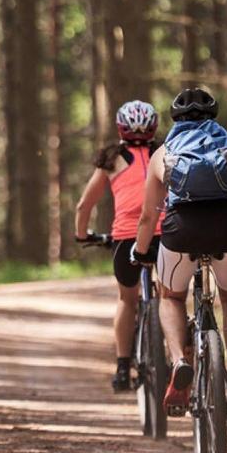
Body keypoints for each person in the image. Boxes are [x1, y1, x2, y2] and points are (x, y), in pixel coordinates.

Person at [131, 88, 227, 416]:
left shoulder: (162, 154)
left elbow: (147, 217)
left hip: (181, 232)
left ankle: (179, 361)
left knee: (171, 296)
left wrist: (141, 251)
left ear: (176, 119)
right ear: (214, 116)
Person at [75, 100, 162, 393]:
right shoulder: (164, 153)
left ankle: (123, 367)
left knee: (127, 299)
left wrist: (82, 235)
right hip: (165, 234)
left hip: (127, 238)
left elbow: (84, 205)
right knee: (172, 297)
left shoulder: (111, 159)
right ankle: (181, 356)